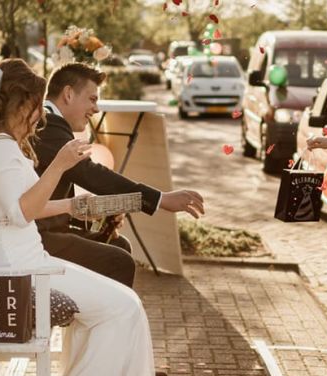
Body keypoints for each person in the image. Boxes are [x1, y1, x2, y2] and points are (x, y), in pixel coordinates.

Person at [0, 59, 159, 376]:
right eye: (33, 107)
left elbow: (26, 205)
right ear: (17, 104)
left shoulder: (3, 147)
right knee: (123, 308)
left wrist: (72, 206)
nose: (39, 117)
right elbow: (21, 211)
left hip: (26, 259)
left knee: (119, 306)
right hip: (16, 269)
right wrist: (59, 165)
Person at [34, 62, 205, 287]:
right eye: (92, 99)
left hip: (48, 228)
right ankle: (107, 319)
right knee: (119, 261)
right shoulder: (49, 124)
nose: (96, 109)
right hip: (38, 237)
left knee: (119, 246)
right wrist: (161, 199)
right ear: (68, 94)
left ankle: (96, 317)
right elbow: (91, 175)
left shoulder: (50, 121)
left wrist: (106, 214)